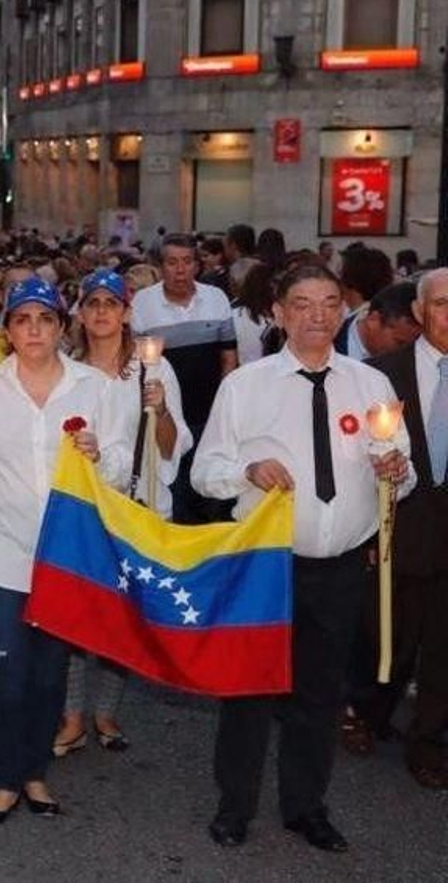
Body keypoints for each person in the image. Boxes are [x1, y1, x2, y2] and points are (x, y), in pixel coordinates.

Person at [192, 263, 412, 853]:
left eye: (330, 302)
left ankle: (305, 807)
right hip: (267, 566)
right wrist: (247, 470)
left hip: (340, 566)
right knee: (250, 692)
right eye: (304, 304)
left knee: (320, 694)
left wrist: (396, 470)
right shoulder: (246, 386)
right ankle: (234, 806)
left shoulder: (370, 385)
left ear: (344, 308)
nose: (318, 315)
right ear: (281, 312)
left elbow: (403, 469)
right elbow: (205, 472)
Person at [0, 275, 133, 824]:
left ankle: (34, 773)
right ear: (7, 330)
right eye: (22, 320)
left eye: (45, 319)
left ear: (60, 327)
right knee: (5, 668)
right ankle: (4, 779)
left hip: (66, 553)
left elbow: (120, 465)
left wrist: (100, 456)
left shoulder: (94, 388)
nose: (34, 330)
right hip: (2, 547)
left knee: (50, 672)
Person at [54, 269, 191, 757]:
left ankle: (106, 710)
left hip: (137, 504)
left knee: (124, 612)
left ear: (127, 312)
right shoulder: (65, 367)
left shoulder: (152, 370)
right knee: (77, 607)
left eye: (111, 304)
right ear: (80, 312)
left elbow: (173, 448)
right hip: (86, 505)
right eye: (92, 304)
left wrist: (162, 411)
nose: (101, 313)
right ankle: (70, 715)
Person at [346, 269, 448, 789]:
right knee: (390, 633)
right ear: (420, 312)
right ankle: (367, 713)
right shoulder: (381, 375)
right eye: (443, 304)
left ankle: (428, 743)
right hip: (400, 525)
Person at [130, 234, 237, 523]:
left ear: (197, 266)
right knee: (173, 495)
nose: (180, 270)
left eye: (187, 262)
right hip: (166, 417)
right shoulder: (142, 303)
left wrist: (223, 408)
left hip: (209, 416)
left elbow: (228, 357)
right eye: (172, 262)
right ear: (160, 266)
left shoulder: (216, 298)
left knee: (210, 496)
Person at [336, 281, 420, 360]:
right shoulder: (330, 343)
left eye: (411, 346)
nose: (403, 352)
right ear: (373, 319)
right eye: (399, 342)